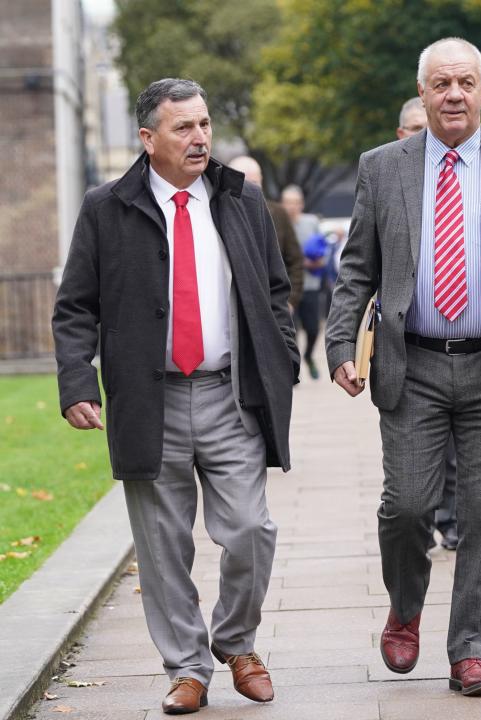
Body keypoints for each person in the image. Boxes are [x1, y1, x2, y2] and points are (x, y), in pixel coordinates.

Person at [325, 37, 481, 695]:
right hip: (414, 367)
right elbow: (357, 269)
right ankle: (405, 606)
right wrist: (341, 345)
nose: (453, 94)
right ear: (423, 93)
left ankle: (470, 652)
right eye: (440, 84)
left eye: (465, 83)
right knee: (406, 507)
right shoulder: (383, 167)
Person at [52, 78, 299, 714]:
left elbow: (276, 291)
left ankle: (237, 642)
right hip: (147, 399)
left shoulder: (240, 201)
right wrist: (78, 381)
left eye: (205, 125)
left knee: (250, 528)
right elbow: (75, 306)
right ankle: (187, 668)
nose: (199, 138)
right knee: (163, 547)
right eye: (183, 128)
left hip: (229, 395)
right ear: (148, 138)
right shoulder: (107, 207)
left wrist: (283, 357)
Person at [396, 97, 459, 551]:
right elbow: (360, 264)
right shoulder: (384, 175)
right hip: (413, 352)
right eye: (415, 126)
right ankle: (422, 520)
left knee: (460, 453)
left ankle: (451, 518)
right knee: (408, 486)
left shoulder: (478, 171)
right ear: (403, 133)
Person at [227, 156, 304, 311]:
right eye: (244, 184)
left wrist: (289, 301)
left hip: (274, 306)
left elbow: (295, 259)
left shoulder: (278, 213)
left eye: (254, 184)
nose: (249, 190)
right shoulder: (220, 214)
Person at [281, 184, 325, 380]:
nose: (291, 207)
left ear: (302, 204)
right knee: (292, 330)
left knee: (313, 329)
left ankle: (308, 356)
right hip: (288, 288)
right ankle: (293, 368)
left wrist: (317, 261)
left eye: (295, 203)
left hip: (311, 285)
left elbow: (324, 250)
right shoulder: (277, 222)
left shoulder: (311, 222)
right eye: (288, 203)